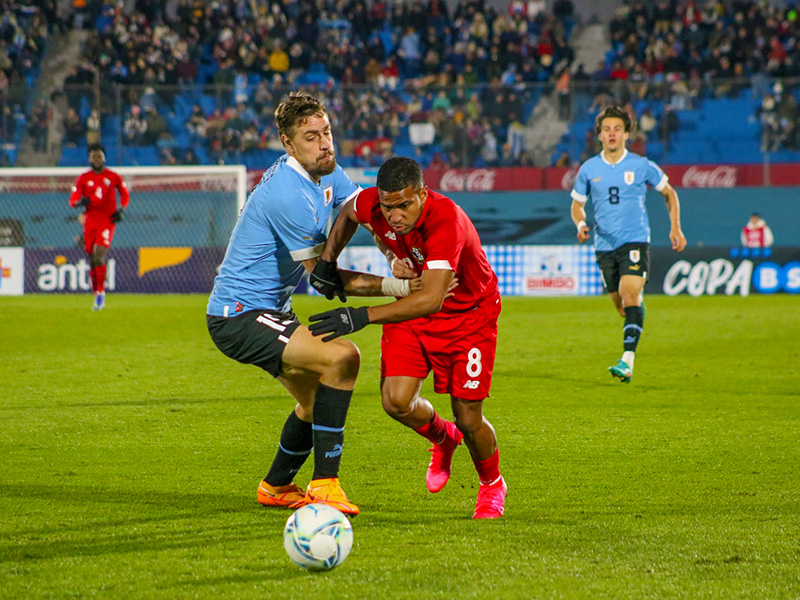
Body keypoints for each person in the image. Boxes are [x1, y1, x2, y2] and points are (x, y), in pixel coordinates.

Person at [206, 92, 419, 516]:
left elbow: (366, 212)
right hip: (238, 316)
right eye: (310, 137)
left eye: (326, 133)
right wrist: (400, 288)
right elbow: (324, 279)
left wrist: (394, 255)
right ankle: (325, 486)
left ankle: (276, 485)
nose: (324, 144)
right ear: (288, 144)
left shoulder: (329, 172)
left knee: (313, 402)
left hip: (269, 310)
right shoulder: (288, 193)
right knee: (342, 357)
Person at [307, 157, 507, 519]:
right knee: (395, 402)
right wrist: (328, 260)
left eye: (404, 205)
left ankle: (492, 484)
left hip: (468, 318)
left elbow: (431, 298)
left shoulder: (447, 221)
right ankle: (443, 439)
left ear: (423, 195)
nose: (395, 216)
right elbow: (351, 212)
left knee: (468, 416)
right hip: (413, 313)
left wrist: (360, 316)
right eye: (388, 207)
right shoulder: (375, 205)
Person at [570, 106, 687, 384]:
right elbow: (577, 205)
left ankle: (627, 361)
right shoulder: (589, 169)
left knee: (629, 292)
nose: (612, 134)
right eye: (607, 129)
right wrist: (580, 224)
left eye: (617, 129)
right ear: (599, 135)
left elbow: (669, 192)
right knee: (623, 306)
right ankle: (636, 307)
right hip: (604, 245)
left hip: (634, 239)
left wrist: (676, 226)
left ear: (626, 134)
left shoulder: (641, 165)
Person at [68, 144, 129, 310]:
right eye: (93, 157)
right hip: (91, 221)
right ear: (89, 159)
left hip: (107, 221)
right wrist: (81, 202)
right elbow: (73, 200)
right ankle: (96, 292)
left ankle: (101, 293)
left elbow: (124, 194)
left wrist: (121, 210)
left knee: (99, 255)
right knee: (91, 258)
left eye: (99, 156)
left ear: (104, 158)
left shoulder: (114, 176)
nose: (96, 160)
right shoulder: (83, 178)